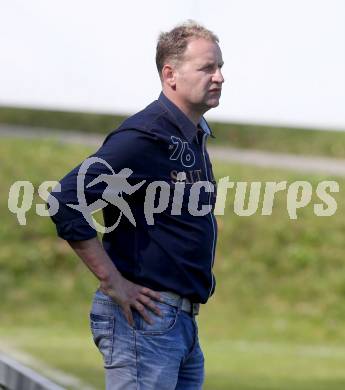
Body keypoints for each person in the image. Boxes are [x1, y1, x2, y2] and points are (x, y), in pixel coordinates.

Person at [49, 20, 224, 390]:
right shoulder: (147, 135)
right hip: (146, 322)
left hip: (180, 324)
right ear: (170, 74)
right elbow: (65, 199)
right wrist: (113, 282)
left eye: (220, 67)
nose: (219, 77)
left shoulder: (191, 135)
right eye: (207, 68)